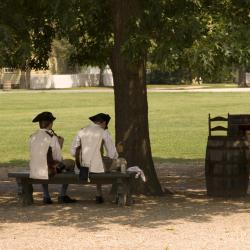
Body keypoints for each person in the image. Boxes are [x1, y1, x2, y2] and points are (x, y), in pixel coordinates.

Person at [29, 111, 76, 204]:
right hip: (48, 169)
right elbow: (57, 158)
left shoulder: (32, 137)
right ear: (50, 124)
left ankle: (46, 196)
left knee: (42, 164)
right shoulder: (51, 137)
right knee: (70, 164)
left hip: (34, 168)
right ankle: (62, 195)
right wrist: (60, 144)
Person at [71, 113, 118, 203]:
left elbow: (73, 152)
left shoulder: (81, 131)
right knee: (119, 162)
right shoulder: (103, 132)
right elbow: (112, 154)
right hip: (96, 169)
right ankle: (105, 194)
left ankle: (99, 193)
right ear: (104, 123)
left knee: (98, 162)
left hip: (81, 169)